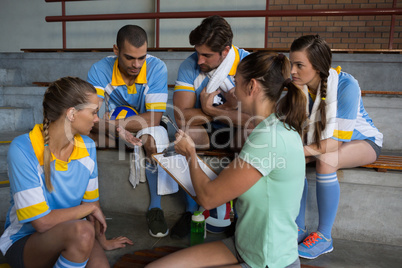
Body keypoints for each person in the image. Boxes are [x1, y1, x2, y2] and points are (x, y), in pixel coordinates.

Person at [146, 52, 307, 268]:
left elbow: (208, 199)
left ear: (251, 87)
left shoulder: (269, 138)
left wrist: (190, 155)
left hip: (267, 261)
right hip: (245, 246)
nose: (232, 91)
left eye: (236, 83)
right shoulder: (271, 128)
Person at [0, 77, 135, 268]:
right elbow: (42, 222)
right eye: (94, 112)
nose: (97, 119)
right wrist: (88, 210)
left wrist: (103, 241)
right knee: (83, 231)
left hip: (73, 233)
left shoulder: (87, 146)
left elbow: (91, 204)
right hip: (27, 242)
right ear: (72, 113)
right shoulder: (23, 149)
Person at [289, 35, 383, 259]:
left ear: (318, 66)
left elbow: (335, 143)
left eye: (299, 65)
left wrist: (295, 151)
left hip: (364, 142)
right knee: (297, 161)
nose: (292, 70)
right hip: (327, 142)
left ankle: (324, 236)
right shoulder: (299, 88)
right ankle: (298, 228)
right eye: (291, 63)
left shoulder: (345, 84)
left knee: (326, 160)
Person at [170, 15, 251, 239]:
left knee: (252, 134)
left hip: (237, 131)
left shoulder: (248, 64)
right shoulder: (189, 65)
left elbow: (255, 119)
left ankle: (240, 212)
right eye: (198, 53)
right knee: (184, 135)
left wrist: (214, 110)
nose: (199, 60)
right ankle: (191, 210)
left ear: (225, 51)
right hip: (207, 130)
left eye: (206, 55)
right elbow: (181, 117)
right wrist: (225, 109)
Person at [87, 25, 171, 238]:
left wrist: (116, 123)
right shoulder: (99, 70)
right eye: (129, 58)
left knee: (151, 140)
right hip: (114, 128)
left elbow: (153, 118)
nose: (136, 64)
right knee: (82, 137)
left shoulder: (156, 67)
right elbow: (91, 117)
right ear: (115, 50)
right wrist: (115, 128)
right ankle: (86, 205)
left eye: (141, 58)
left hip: (141, 127)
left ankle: (155, 208)